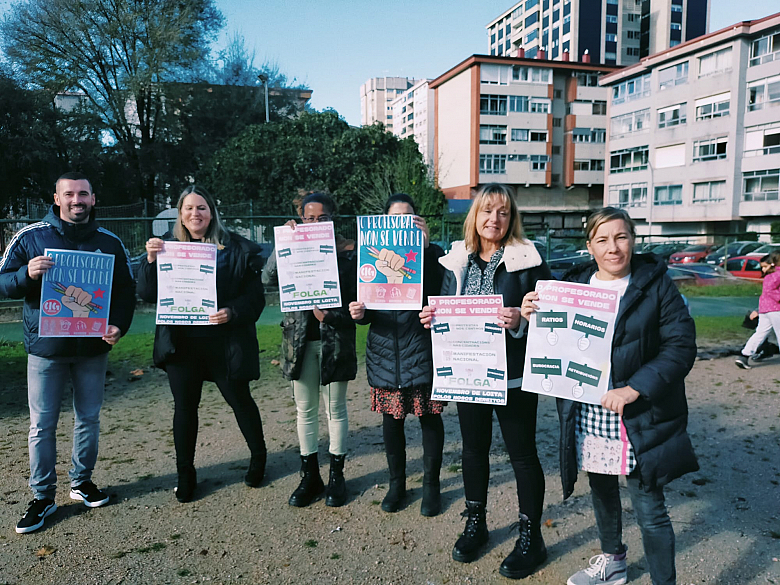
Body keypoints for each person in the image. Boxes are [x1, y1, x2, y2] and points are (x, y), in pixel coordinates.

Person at [521, 207, 698, 585]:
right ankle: (614, 562)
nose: (613, 248)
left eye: (621, 237)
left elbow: (681, 346)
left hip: (639, 414)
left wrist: (636, 387)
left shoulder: (657, 285)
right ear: (589, 246)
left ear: (633, 240)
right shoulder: (572, 286)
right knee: (601, 490)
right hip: (589, 412)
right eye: (602, 239)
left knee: (649, 506)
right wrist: (529, 315)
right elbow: (551, 343)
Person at [419, 183, 551, 579]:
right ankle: (476, 522)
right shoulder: (454, 260)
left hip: (510, 376)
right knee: (473, 451)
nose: (494, 219)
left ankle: (532, 538)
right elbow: (444, 308)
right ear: (475, 216)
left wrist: (522, 320)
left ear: (512, 219)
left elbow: (550, 308)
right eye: (487, 211)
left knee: (522, 455)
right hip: (467, 376)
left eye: (503, 212)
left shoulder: (528, 260)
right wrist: (432, 320)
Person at [0, 172, 136, 533]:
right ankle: (42, 497)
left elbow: (125, 291)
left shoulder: (109, 242)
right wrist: (26, 274)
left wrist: (119, 326)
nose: (77, 200)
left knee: (88, 418)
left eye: (84, 194)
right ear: (57, 199)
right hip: (46, 348)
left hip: (93, 347)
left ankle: (81, 482)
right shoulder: (30, 237)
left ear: (93, 199)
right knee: (41, 425)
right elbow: (3, 280)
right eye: (70, 194)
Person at [137, 185, 267, 503]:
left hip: (225, 343)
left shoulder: (235, 248)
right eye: (189, 208)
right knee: (184, 409)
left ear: (212, 212)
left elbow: (255, 298)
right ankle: (186, 474)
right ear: (180, 214)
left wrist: (231, 312)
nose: (196, 214)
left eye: (202, 208)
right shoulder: (166, 248)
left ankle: (258, 459)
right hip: (182, 345)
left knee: (241, 402)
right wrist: (151, 260)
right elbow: (146, 293)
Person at [348, 193, 446, 517]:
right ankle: (397, 484)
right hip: (384, 352)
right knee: (392, 422)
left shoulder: (434, 254)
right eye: (396, 218)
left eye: (409, 217)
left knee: (430, 419)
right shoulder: (369, 257)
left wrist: (428, 247)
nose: (403, 222)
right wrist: (359, 312)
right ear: (385, 222)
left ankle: (432, 486)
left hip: (421, 349)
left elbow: (441, 293)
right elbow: (363, 301)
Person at [262, 192, 357, 508]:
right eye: (309, 218)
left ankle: (337, 476)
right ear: (301, 218)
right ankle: (310, 476)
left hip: (336, 341)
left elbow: (360, 302)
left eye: (322, 218)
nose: (315, 223)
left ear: (333, 219)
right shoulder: (291, 245)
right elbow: (267, 276)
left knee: (336, 410)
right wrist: (283, 243)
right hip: (299, 341)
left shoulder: (348, 253)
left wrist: (333, 316)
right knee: (305, 411)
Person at [736, 252, 780, 369]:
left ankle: (744, 355)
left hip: (765, 310)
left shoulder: (769, 277)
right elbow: (771, 292)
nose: (763, 270)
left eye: (764, 267)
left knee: (760, 333)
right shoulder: (777, 275)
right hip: (775, 309)